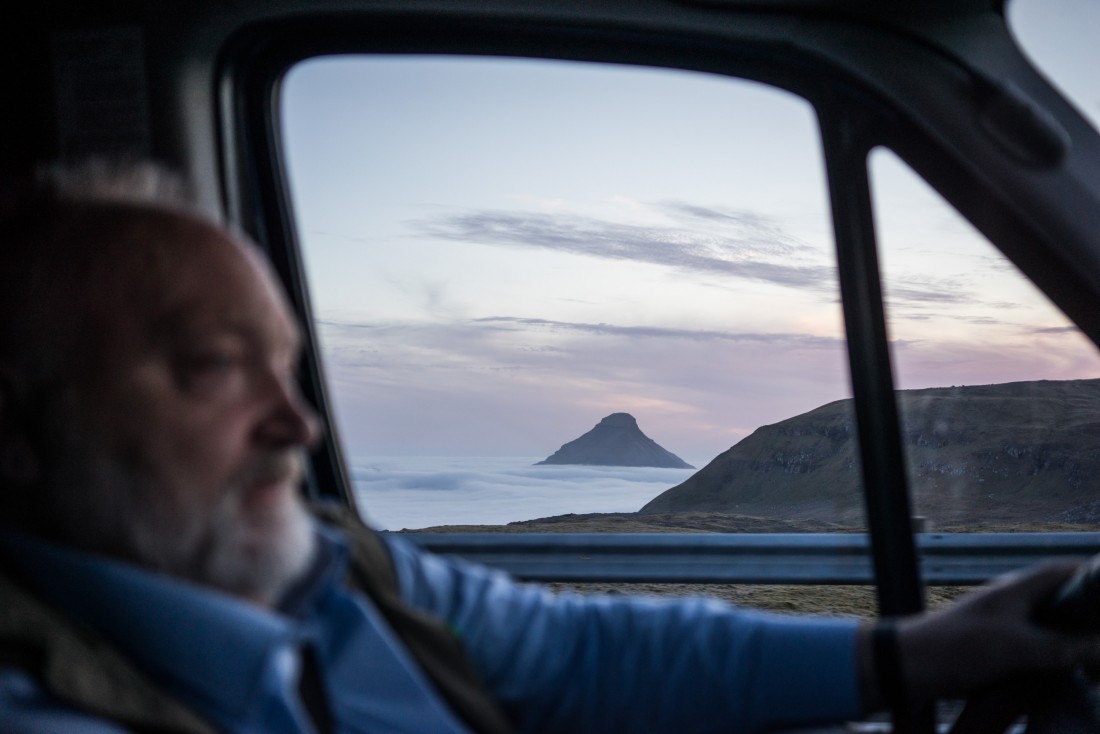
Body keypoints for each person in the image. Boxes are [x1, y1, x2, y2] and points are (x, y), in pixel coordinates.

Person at [0, 160, 1095, 734]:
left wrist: (914, 652)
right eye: (211, 366)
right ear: (18, 427)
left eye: (287, 367)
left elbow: (582, 653)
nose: (300, 424)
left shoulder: (341, 568)